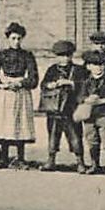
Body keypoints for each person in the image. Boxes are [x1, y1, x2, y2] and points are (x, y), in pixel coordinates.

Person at [0, 22, 38, 168]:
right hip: (5, 93)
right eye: (13, 38)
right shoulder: (1, 55)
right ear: (8, 39)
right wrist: (1, 84)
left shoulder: (27, 55)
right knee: (5, 123)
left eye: (19, 38)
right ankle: (3, 157)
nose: (16, 41)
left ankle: (20, 158)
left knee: (20, 123)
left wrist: (21, 83)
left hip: (20, 93)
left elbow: (34, 78)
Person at [39, 39, 87, 172]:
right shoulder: (52, 69)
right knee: (53, 134)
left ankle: (80, 161)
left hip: (71, 108)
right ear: (56, 56)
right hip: (55, 109)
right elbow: (43, 85)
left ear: (71, 55)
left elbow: (84, 85)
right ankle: (51, 159)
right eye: (61, 55)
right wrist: (51, 85)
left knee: (75, 135)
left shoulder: (78, 70)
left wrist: (71, 83)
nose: (64, 58)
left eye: (67, 55)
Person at [77, 50, 105, 175]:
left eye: (101, 64)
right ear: (88, 66)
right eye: (95, 64)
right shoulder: (86, 82)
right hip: (89, 115)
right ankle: (94, 164)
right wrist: (86, 99)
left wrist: (102, 100)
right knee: (92, 140)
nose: (98, 67)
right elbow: (79, 96)